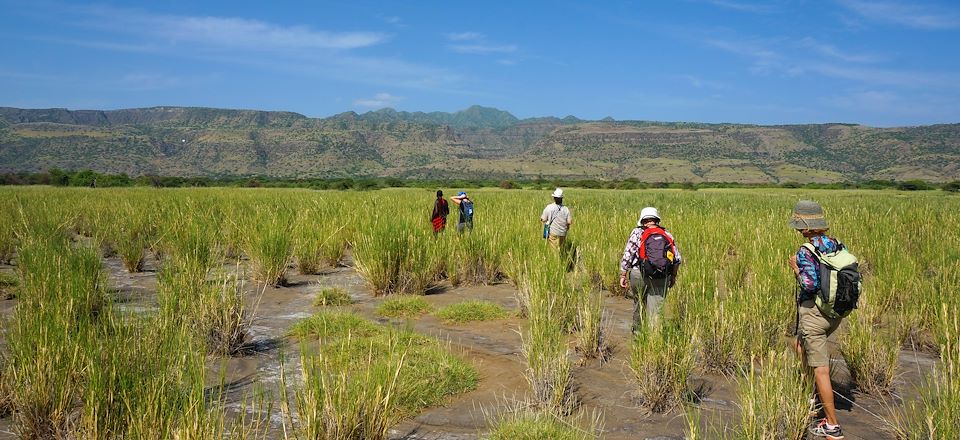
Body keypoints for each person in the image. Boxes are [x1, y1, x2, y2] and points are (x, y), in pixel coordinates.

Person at [787, 200, 846, 440]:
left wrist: (796, 269)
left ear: (805, 227)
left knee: (820, 367)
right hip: (835, 313)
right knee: (800, 345)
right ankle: (809, 395)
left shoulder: (806, 251)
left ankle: (832, 425)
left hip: (815, 314)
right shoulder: (837, 244)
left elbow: (809, 285)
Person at [618, 207, 681, 331]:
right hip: (661, 276)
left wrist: (623, 274)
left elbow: (628, 255)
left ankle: (638, 335)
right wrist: (673, 276)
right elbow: (677, 259)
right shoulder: (666, 234)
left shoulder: (636, 232)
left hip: (638, 274)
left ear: (642, 221)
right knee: (656, 312)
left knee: (639, 305)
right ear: (657, 220)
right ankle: (653, 341)